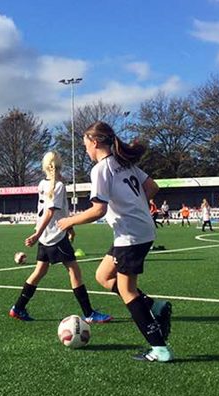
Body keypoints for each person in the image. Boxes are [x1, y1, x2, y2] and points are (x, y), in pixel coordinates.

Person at [55, 121, 173, 362]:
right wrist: (133, 206)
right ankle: (155, 307)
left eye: (85, 144)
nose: (86, 149)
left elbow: (98, 210)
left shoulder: (101, 169)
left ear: (95, 142)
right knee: (103, 276)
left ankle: (160, 349)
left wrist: (69, 221)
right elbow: (153, 187)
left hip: (130, 235)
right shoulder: (124, 162)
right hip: (138, 230)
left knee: (127, 290)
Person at [10, 151, 112, 325]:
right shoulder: (58, 186)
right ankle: (89, 313)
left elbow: (56, 211)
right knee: (75, 272)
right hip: (55, 236)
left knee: (39, 272)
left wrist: (63, 228)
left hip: (46, 236)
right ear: (60, 165)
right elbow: (51, 212)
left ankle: (18, 308)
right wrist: (37, 234)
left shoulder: (43, 184)